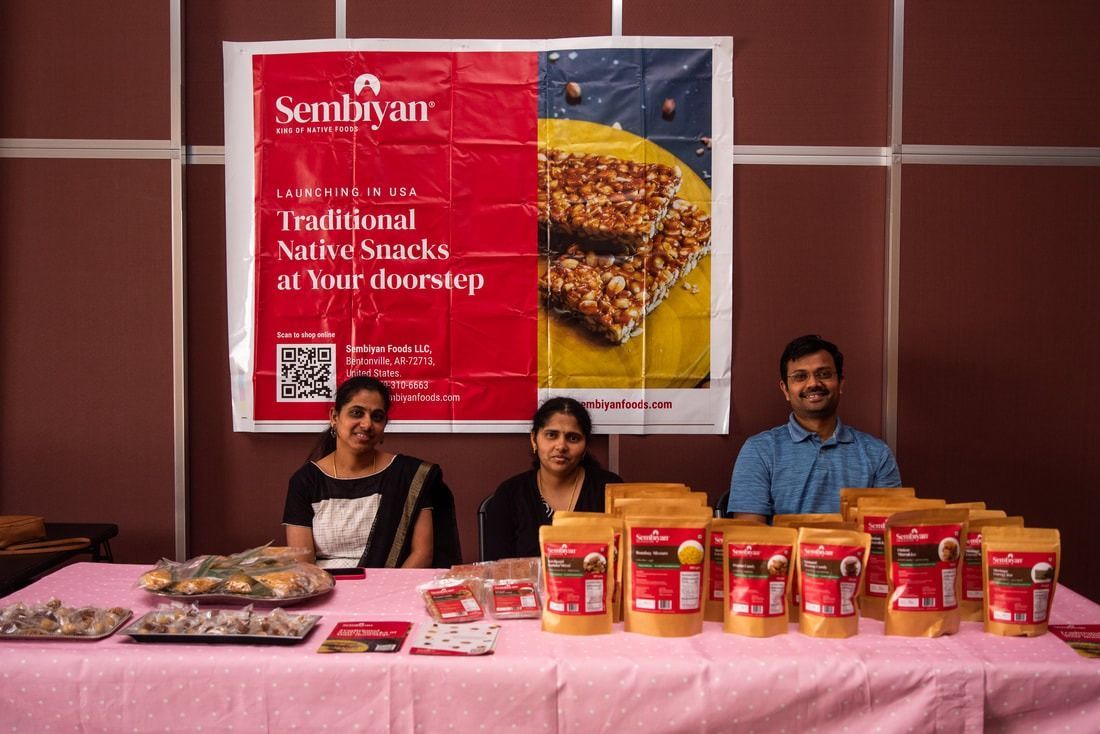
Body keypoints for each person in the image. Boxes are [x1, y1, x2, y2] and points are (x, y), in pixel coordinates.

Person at [282, 375, 460, 568]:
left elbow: (422, 554)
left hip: (395, 589)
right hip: (325, 589)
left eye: (376, 417)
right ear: (334, 417)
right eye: (357, 413)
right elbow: (304, 564)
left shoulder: (409, 476)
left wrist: (385, 594)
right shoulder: (306, 481)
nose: (367, 424)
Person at [727, 335, 901, 521]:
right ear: (785, 389)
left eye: (824, 374)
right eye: (800, 377)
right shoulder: (759, 451)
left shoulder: (877, 454)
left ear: (841, 383)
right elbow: (750, 538)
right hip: (782, 551)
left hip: (855, 551)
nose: (813, 384)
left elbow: (888, 533)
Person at [482, 397, 623, 560]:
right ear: (534, 439)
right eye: (551, 435)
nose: (561, 446)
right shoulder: (510, 495)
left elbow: (622, 561)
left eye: (573, 438)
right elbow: (497, 568)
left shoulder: (608, 489)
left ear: (585, 447)